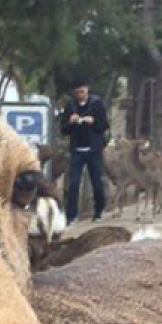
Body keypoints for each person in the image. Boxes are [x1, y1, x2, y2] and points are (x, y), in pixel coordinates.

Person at [60, 78, 109, 224]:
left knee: (97, 182)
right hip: (77, 150)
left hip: (94, 149)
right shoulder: (71, 106)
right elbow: (64, 129)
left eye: (82, 91)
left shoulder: (96, 104)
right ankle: (71, 215)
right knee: (73, 183)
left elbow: (104, 125)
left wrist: (93, 122)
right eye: (77, 93)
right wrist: (71, 122)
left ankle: (99, 211)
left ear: (87, 90)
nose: (80, 95)